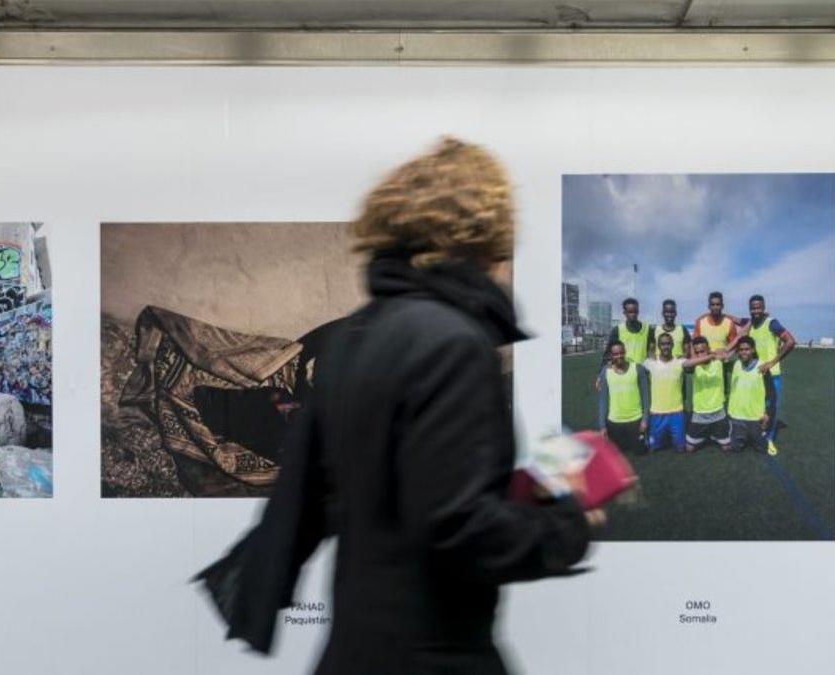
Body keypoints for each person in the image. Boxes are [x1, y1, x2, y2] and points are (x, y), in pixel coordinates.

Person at [196, 138, 598, 675]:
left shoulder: (357, 336)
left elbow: (336, 492)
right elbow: (457, 529)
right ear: (481, 234)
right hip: (432, 657)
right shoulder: (452, 341)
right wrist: (566, 526)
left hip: (355, 651)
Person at [733, 295, 795, 454]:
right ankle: (756, 434)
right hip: (755, 376)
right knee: (756, 408)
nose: (756, 310)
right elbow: (737, 319)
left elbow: (790, 341)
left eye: (758, 307)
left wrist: (772, 362)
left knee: (771, 408)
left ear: (764, 307)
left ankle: (769, 439)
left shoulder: (772, 323)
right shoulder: (751, 325)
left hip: (771, 374)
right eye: (753, 308)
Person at [643, 332, 714, 453]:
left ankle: (671, 436)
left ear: (672, 345)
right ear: (658, 346)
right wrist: (608, 365)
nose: (666, 346)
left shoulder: (680, 362)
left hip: (676, 414)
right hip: (656, 414)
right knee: (651, 448)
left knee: (681, 449)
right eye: (663, 344)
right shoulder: (650, 363)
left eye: (668, 343)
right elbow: (633, 368)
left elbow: (692, 362)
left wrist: (712, 356)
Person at [724, 336, 777, 454]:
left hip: (755, 417)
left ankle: (759, 437)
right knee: (736, 448)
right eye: (741, 349)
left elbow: (771, 393)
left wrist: (767, 414)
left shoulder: (762, 367)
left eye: (747, 349)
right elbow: (723, 357)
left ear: (753, 350)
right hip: (737, 416)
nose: (743, 352)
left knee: (761, 449)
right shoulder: (735, 364)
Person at [596, 340, 648, 454]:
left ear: (625, 352)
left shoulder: (637, 368)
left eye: (621, 353)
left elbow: (645, 396)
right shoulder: (606, 372)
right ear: (611, 355)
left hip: (635, 420)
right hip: (614, 422)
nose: (619, 356)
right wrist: (602, 426)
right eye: (615, 354)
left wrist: (645, 420)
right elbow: (603, 401)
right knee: (615, 454)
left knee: (640, 452)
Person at [684, 337, 731, 453]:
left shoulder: (718, 362)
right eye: (697, 352)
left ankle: (716, 432)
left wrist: (717, 355)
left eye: (703, 351)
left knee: (726, 448)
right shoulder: (694, 366)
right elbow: (685, 365)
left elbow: (727, 353)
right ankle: (707, 433)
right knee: (689, 448)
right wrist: (710, 356)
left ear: (708, 349)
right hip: (700, 413)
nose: (700, 355)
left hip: (718, 412)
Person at [595, 297, 648, 391]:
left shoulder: (646, 329)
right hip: (624, 372)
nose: (633, 314)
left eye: (635, 311)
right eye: (630, 312)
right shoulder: (618, 330)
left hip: (642, 373)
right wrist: (600, 375)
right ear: (625, 313)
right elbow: (607, 353)